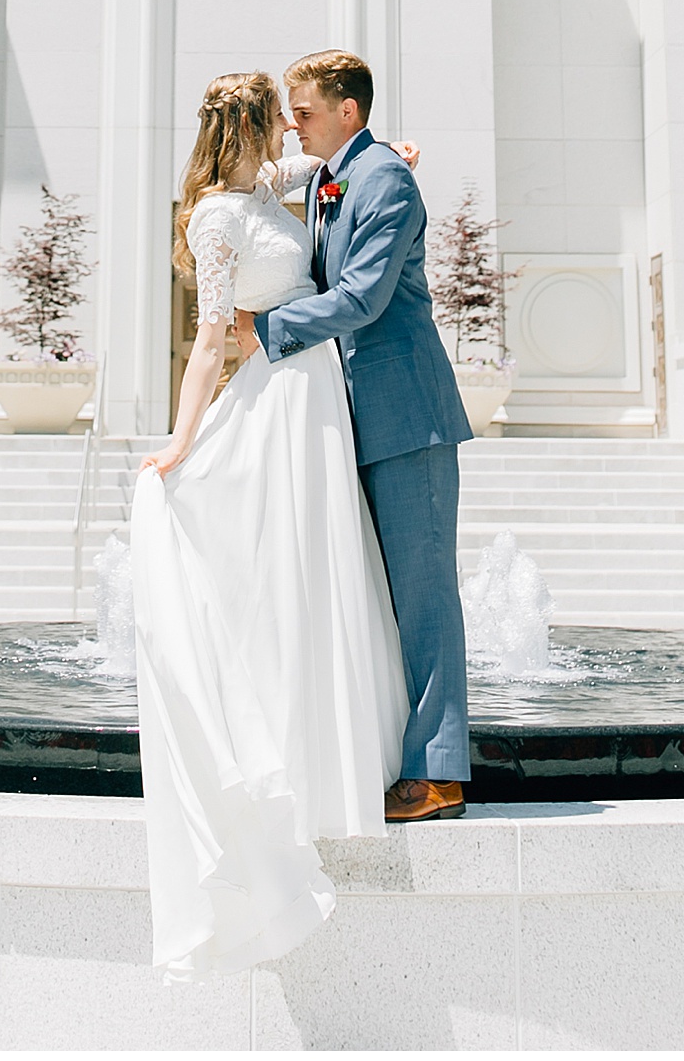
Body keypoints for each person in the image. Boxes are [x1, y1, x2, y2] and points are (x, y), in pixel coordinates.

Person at [128, 70, 408, 981]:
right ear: (247, 127)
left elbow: (330, 171)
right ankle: (283, 756)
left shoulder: (268, 186)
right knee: (282, 570)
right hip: (276, 401)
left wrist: (391, 158)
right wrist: (179, 442)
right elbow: (209, 337)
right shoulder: (217, 216)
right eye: (274, 121)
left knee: (323, 568)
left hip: (317, 397)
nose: (291, 130)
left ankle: (340, 756)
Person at [256, 51, 474, 825]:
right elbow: (249, 174)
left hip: (407, 415)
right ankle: (386, 751)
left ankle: (440, 770)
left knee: (423, 596)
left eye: (304, 110)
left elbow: (362, 298)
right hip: (347, 416)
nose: (293, 123)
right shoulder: (328, 173)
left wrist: (263, 330)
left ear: (348, 111)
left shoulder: (383, 180)